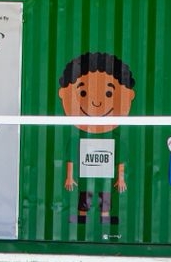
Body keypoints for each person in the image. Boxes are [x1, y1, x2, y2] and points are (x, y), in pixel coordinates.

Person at [57, 52, 135, 226]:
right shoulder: (78, 137)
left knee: (105, 199)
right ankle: (82, 220)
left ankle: (105, 220)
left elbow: (121, 160)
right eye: (83, 92)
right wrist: (69, 176)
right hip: (85, 179)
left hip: (105, 179)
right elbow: (71, 158)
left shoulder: (116, 139)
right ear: (63, 94)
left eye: (109, 93)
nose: (96, 103)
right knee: (84, 200)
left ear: (129, 96)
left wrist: (121, 177)